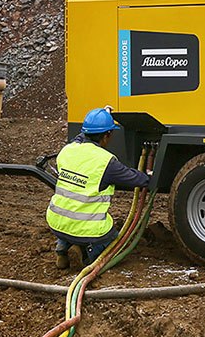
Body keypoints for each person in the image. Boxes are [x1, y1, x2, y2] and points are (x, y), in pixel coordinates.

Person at [46, 107, 150, 269]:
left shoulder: (67, 151)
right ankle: (89, 258)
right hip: (87, 229)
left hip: (56, 222)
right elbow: (135, 179)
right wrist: (150, 176)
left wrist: (101, 116)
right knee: (113, 240)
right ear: (107, 135)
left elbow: (79, 138)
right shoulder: (106, 162)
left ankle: (62, 248)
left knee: (69, 221)